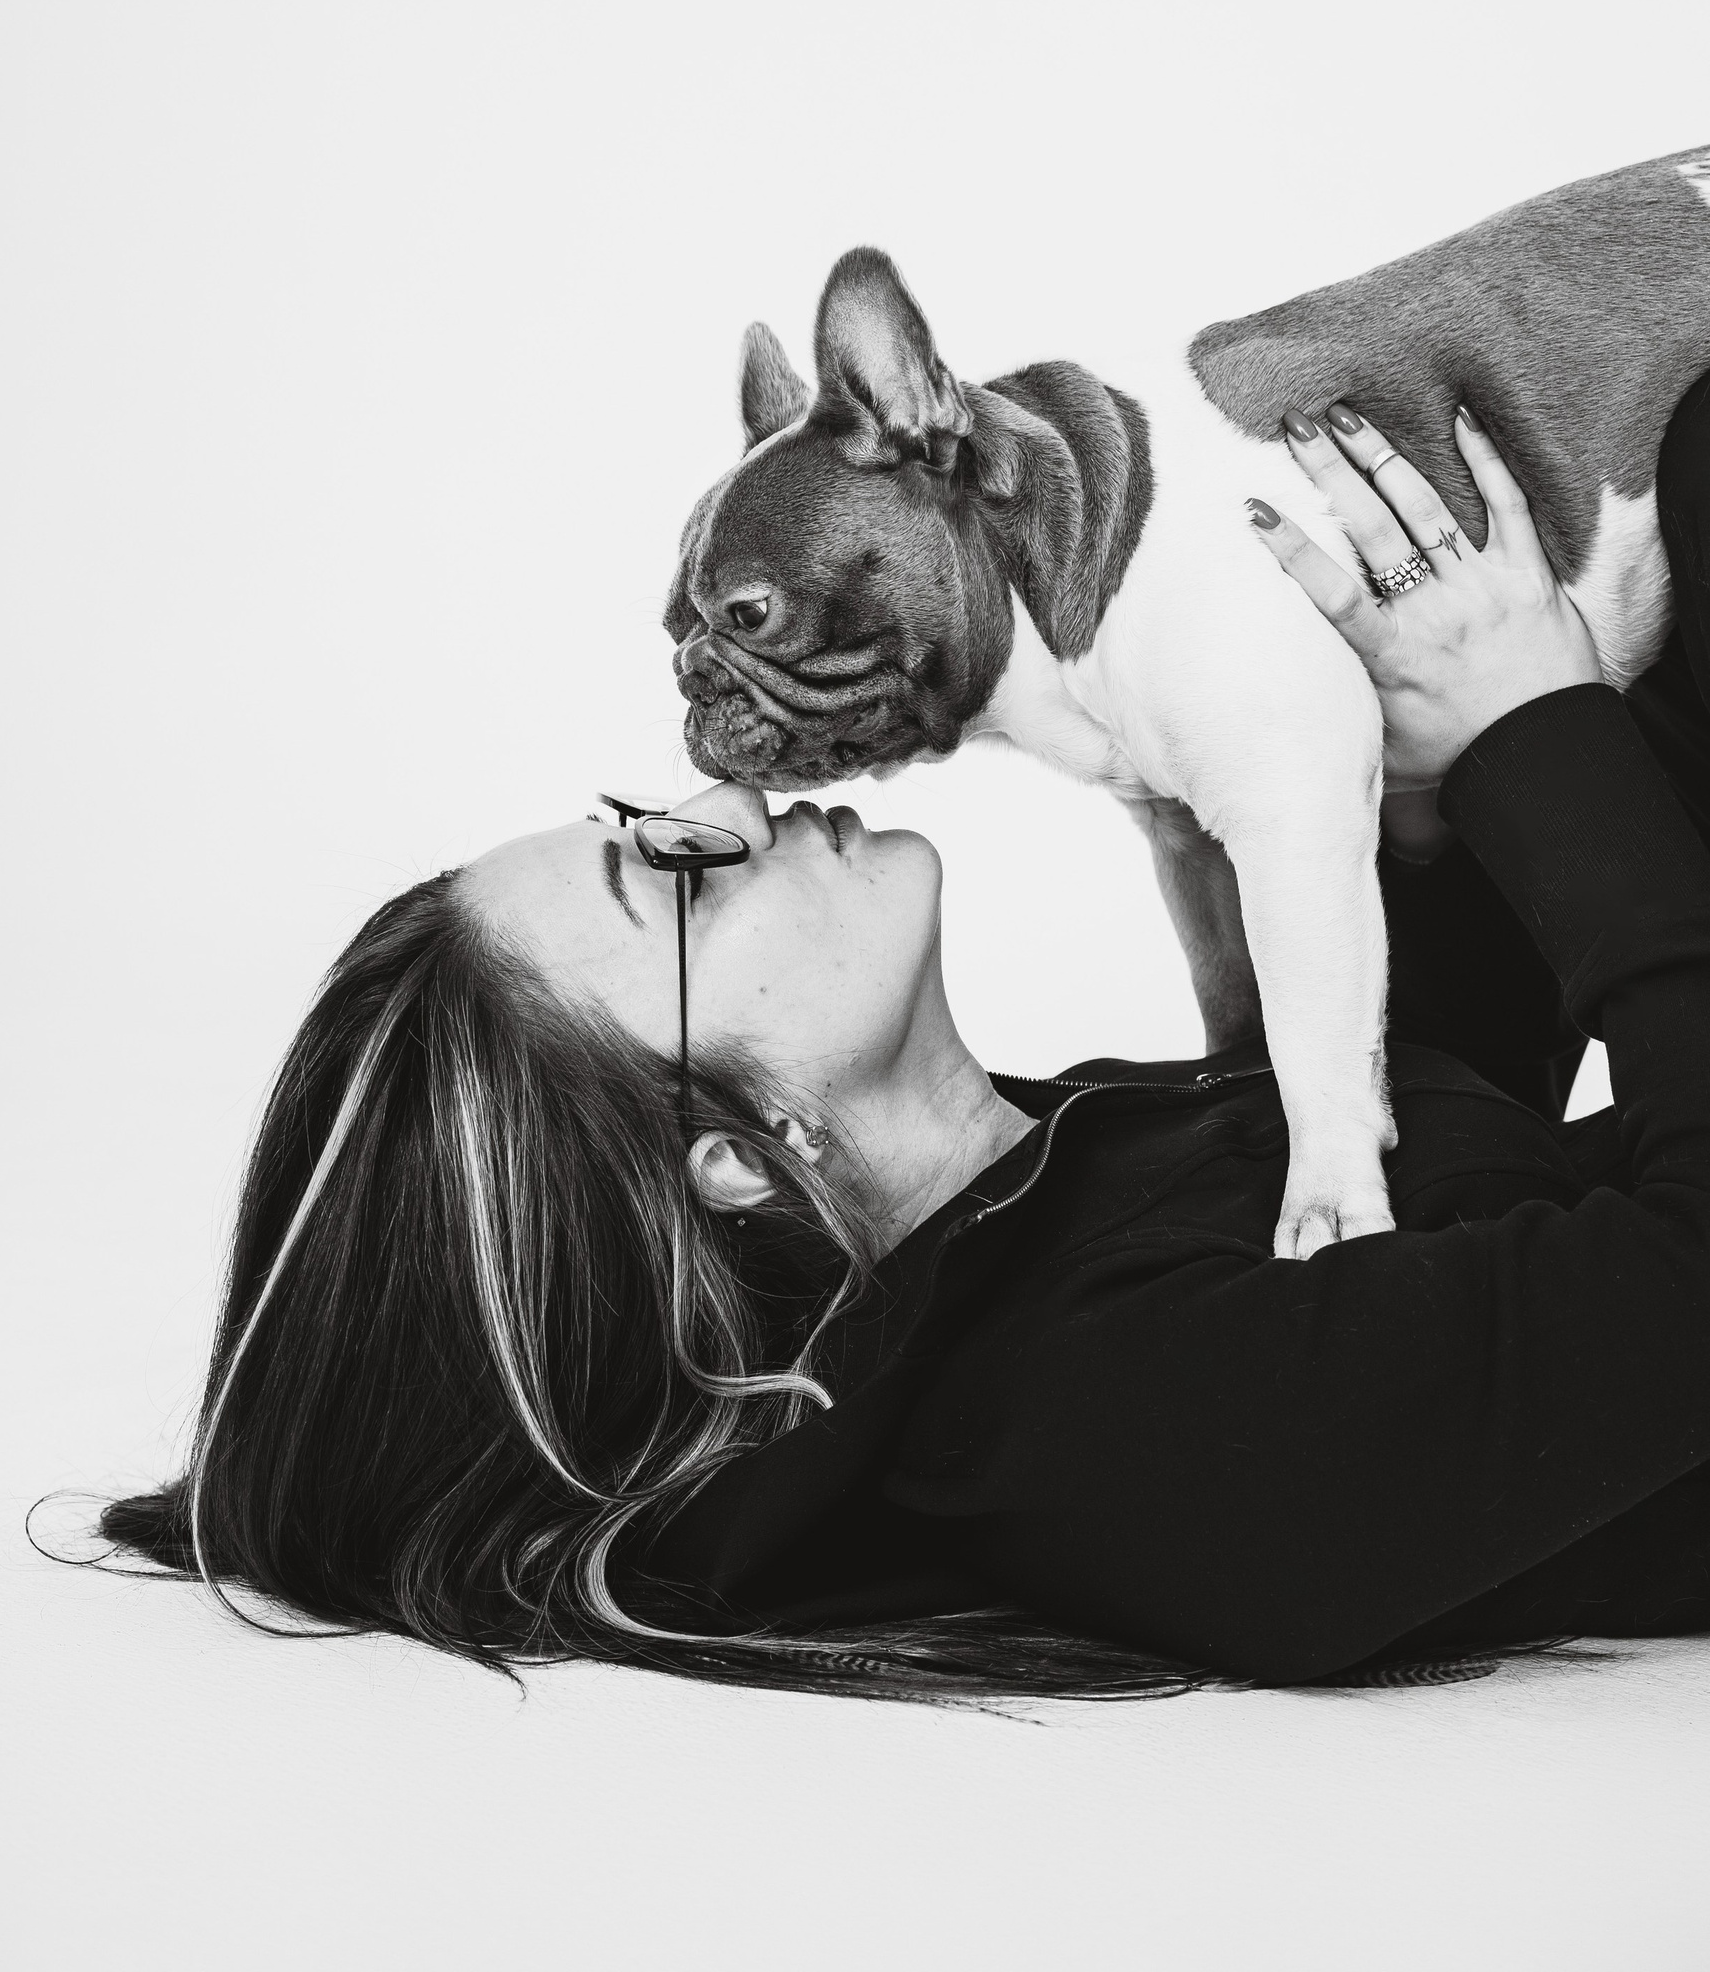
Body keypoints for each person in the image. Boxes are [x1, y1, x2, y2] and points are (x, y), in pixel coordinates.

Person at [87, 373, 1710, 1701]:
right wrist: (1539, 735)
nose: (730, 801)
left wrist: (1400, 759)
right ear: (731, 1161)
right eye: (677, 879)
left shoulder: (1061, 1183)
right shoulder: (1120, 1426)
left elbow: (1485, 1189)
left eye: (657, 819)